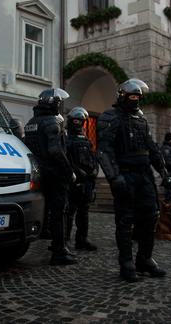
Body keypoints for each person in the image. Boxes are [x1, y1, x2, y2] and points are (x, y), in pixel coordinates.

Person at [97, 78, 171, 282]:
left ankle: (144, 259)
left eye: (138, 97)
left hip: (144, 174)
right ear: (122, 96)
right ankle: (126, 264)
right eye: (132, 96)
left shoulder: (141, 118)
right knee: (125, 220)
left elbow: (153, 148)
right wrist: (114, 177)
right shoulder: (109, 117)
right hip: (125, 173)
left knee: (150, 217)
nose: (135, 100)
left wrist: (164, 173)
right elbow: (104, 150)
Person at [23, 88, 77, 265]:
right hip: (55, 173)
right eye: (60, 103)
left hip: (39, 172)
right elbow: (56, 151)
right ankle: (59, 250)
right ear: (54, 104)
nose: (61, 106)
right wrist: (69, 172)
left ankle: (49, 238)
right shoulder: (52, 122)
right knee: (59, 212)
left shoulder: (32, 122)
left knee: (45, 209)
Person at [65, 106, 99, 251]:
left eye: (80, 120)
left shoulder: (86, 139)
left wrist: (95, 170)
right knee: (69, 212)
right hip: (74, 182)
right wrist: (77, 172)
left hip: (87, 182)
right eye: (76, 120)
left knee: (84, 212)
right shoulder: (66, 138)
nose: (78, 123)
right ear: (71, 120)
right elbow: (66, 160)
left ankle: (82, 239)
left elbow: (92, 157)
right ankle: (64, 241)